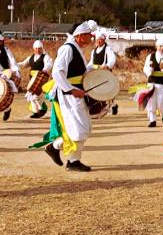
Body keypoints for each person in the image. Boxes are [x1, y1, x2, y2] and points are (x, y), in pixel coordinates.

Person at [40, 21, 97, 172]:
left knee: (83, 127)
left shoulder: (76, 48)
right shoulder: (67, 49)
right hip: (69, 95)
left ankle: (57, 148)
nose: (91, 38)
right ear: (80, 36)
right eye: (89, 36)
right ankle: (72, 161)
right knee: (78, 128)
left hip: (77, 92)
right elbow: (57, 72)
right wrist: (71, 90)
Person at [0, 31, 20, 121]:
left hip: (4, 75)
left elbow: (12, 61)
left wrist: (15, 71)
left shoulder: (6, 51)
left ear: (1, 41)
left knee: (3, 95)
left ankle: (7, 109)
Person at [143, 36, 163, 127]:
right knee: (151, 101)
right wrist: (149, 71)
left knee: (162, 102)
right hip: (152, 81)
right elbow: (145, 67)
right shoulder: (150, 56)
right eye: (160, 46)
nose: (162, 48)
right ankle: (152, 120)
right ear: (156, 47)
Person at [90, 34, 120, 115]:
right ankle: (99, 106)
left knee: (108, 90)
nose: (99, 41)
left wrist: (108, 65)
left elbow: (112, 59)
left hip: (105, 73)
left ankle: (113, 105)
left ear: (104, 40)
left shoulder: (108, 49)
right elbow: (91, 62)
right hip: (96, 74)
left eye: (100, 39)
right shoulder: (93, 51)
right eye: (97, 39)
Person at [23, 40, 52, 118]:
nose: (37, 50)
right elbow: (24, 63)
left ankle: (43, 109)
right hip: (32, 79)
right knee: (31, 96)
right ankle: (36, 112)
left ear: (42, 48)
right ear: (33, 49)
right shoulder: (31, 57)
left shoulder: (45, 56)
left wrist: (45, 69)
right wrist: (14, 65)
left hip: (41, 78)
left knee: (37, 95)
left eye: (39, 48)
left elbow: (49, 64)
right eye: (36, 48)